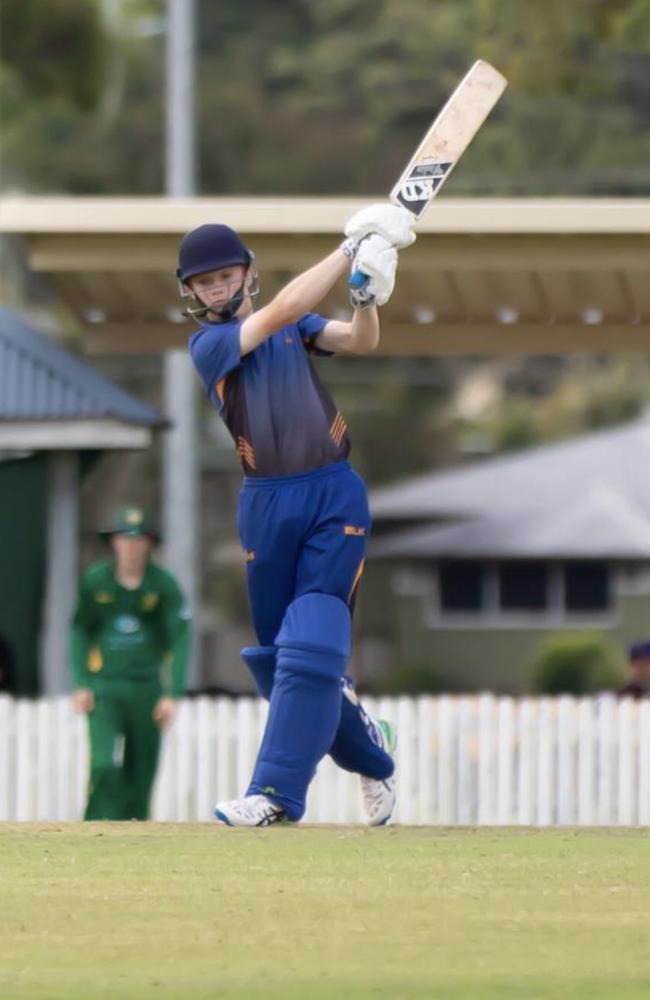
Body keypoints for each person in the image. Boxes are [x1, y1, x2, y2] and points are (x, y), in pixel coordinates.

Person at [178, 203, 416, 826]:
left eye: (226, 275)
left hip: (333, 493)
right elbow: (281, 309)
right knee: (288, 663)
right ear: (192, 295)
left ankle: (275, 795)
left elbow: (359, 340)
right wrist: (349, 249)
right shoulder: (208, 346)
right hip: (265, 505)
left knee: (312, 635)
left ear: (246, 274)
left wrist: (366, 298)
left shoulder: (296, 324)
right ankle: (373, 756)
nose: (218, 288)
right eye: (205, 282)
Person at [71, 506, 190, 820]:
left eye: (138, 539)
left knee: (141, 773)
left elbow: (180, 637)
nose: (131, 546)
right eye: (125, 538)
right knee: (103, 765)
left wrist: (172, 693)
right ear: (114, 542)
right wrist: (81, 682)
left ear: (149, 543)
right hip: (106, 686)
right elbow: (79, 630)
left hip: (146, 688)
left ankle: (133, 835)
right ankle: (96, 828)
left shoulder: (163, 585)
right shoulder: (96, 580)